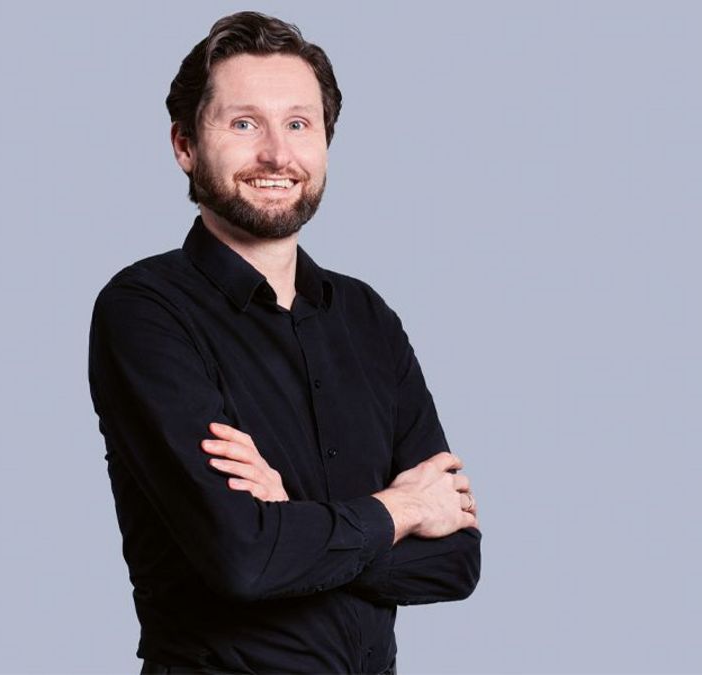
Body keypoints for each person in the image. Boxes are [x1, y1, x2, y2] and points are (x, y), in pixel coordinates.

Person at [88, 11, 481, 675]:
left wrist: (297, 518)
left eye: (299, 124)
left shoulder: (368, 318)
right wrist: (402, 509)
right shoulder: (146, 311)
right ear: (185, 145)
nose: (277, 154)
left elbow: (456, 560)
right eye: (244, 124)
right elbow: (243, 558)